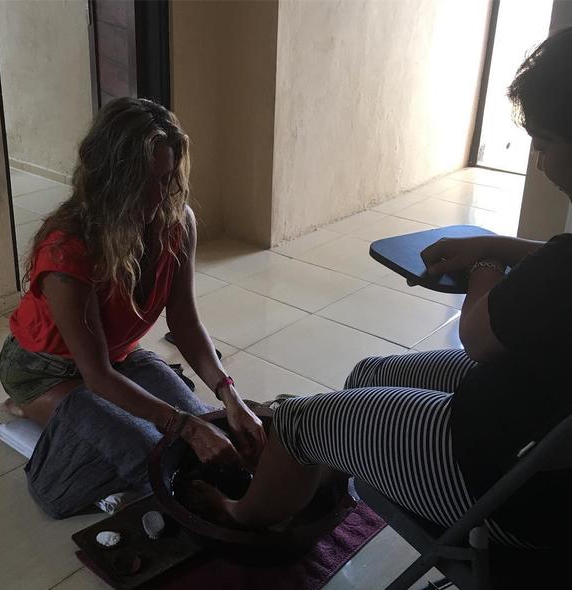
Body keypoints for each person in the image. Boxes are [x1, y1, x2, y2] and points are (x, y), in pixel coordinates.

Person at [194, 26, 572, 549]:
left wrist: (486, 261)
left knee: (297, 419)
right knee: (369, 374)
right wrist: (502, 245)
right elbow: (554, 259)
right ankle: (318, 471)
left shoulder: (559, 272)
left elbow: (476, 336)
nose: (540, 161)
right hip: (529, 418)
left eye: (546, 144)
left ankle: (241, 516)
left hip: (510, 487)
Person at [0, 97, 266, 518]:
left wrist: (229, 395)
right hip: (45, 369)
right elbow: (96, 375)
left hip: (117, 357)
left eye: (166, 178)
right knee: (148, 452)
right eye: (143, 181)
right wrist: (183, 426)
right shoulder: (67, 248)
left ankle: (78, 419)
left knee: (206, 426)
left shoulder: (177, 222)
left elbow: (185, 323)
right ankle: (35, 411)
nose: (158, 195)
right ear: (108, 177)